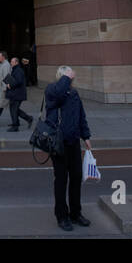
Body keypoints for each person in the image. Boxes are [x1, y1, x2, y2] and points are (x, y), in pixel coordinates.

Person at [44, 66, 92, 231]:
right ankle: (61, 215)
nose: (71, 78)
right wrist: (65, 78)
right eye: (67, 75)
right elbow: (57, 94)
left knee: (76, 177)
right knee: (61, 179)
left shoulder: (74, 93)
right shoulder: (52, 90)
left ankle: (75, 212)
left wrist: (86, 136)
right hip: (58, 143)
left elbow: (81, 115)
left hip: (73, 142)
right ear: (61, 77)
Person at [5, 56, 33, 131]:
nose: (11, 63)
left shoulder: (18, 70)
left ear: (16, 62)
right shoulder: (15, 69)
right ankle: (24, 120)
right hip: (16, 93)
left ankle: (16, 126)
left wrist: (9, 85)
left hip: (17, 94)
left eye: (12, 62)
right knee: (14, 109)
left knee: (14, 109)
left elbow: (18, 81)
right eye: (11, 61)